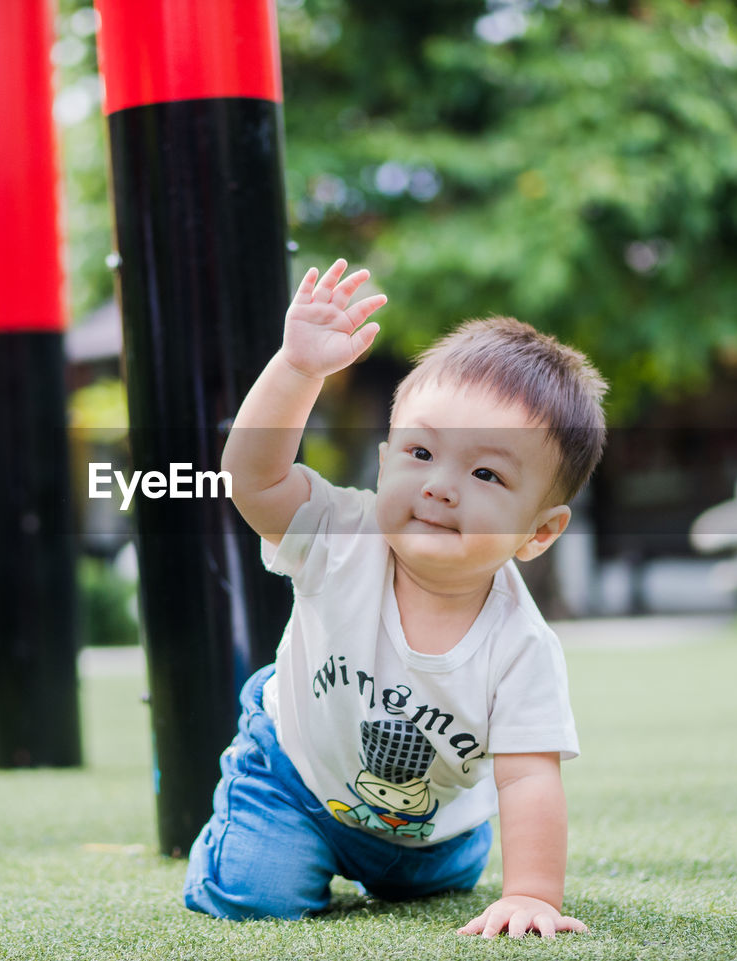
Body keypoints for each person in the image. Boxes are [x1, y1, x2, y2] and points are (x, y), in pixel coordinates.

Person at [182, 259, 607, 939]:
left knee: (432, 884)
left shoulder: (521, 645)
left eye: (487, 472)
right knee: (255, 895)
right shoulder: (340, 534)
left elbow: (529, 779)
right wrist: (299, 368)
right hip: (295, 773)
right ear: (382, 463)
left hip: (427, 828)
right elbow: (252, 478)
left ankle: (426, 859)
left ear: (539, 531)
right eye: (419, 453)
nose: (440, 486)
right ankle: (250, 838)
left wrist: (531, 894)